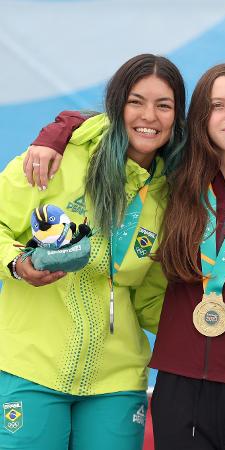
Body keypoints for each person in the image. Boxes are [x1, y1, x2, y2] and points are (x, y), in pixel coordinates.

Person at [22, 63, 225, 450]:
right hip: (178, 381)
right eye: (217, 105)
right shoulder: (173, 180)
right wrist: (57, 132)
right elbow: (118, 127)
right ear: (200, 117)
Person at [0, 53, 186, 450]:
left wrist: (208, 324)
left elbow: (150, 294)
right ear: (117, 104)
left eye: (164, 105)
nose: (149, 116)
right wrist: (16, 264)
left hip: (116, 380)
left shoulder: (169, 194)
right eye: (136, 101)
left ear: (177, 117)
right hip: (31, 368)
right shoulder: (56, 158)